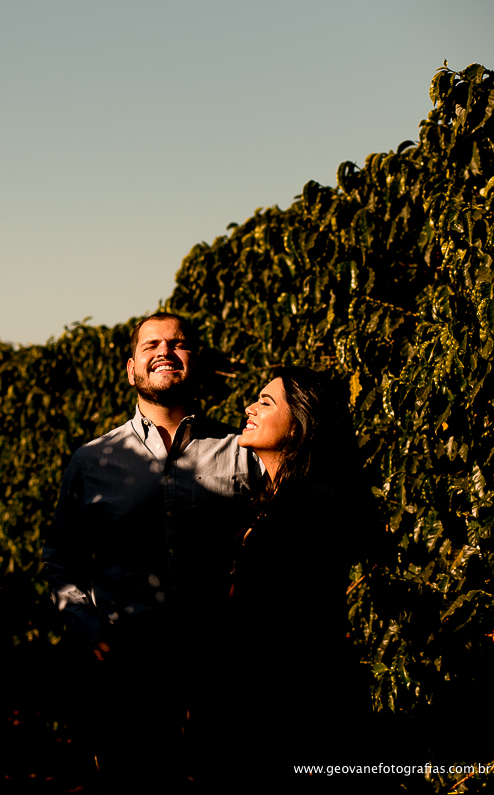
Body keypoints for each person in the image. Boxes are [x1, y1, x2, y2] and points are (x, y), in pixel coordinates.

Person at [41, 312, 262, 790]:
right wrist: (90, 630)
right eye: (151, 345)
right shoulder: (91, 461)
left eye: (178, 344)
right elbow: (61, 561)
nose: (165, 351)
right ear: (132, 368)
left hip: (220, 672)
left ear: (195, 361)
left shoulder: (240, 451)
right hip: (127, 674)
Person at [218, 367, 368, 790]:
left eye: (266, 402)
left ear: (300, 425)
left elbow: (291, 626)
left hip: (294, 721)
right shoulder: (270, 501)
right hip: (275, 716)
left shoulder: (309, 508)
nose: (248, 407)